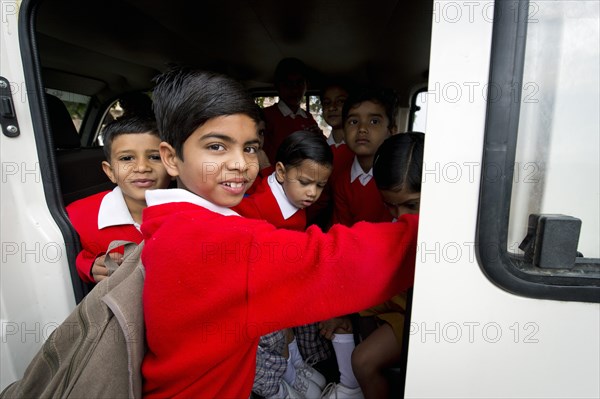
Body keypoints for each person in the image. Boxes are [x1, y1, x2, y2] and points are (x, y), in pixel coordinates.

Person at [140, 67, 418, 399]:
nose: (240, 164)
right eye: (216, 147)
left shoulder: (172, 221)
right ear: (171, 158)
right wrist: (430, 228)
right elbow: (332, 261)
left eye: (250, 147)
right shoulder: (210, 240)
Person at [321, 132, 425, 399]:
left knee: (363, 361)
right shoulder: (392, 226)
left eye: (411, 205)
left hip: (420, 312)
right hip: (397, 302)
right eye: (391, 206)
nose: (401, 217)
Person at [234, 130, 333, 398]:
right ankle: (283, 375)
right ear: (280, 172)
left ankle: (297, 362)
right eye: (305, 182)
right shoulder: (253, 210)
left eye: (320, 186)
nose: (312, 193)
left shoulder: (294, 200)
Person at [66, 116, 171, 283]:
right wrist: (90, 267)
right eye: (126, 158)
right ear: (110, 172)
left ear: (172, 164)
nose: (142, 167)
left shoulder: (193, 211)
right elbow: (71, 264)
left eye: (155, 157)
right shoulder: (76, 216)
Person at [331, 88, 399, 226]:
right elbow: (341, 230)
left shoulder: (400, 176)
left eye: (374, 121)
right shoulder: (343, 182)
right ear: (344, 132)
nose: (362, 128)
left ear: (391, 131)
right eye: (353, 122)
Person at [262, 57, 322, 163]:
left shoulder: (308, 117)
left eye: (299, 83)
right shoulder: (266, 116)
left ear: (306, 86)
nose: (294, 89)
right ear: (277, 86)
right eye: (288, 84)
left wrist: (319, 137)